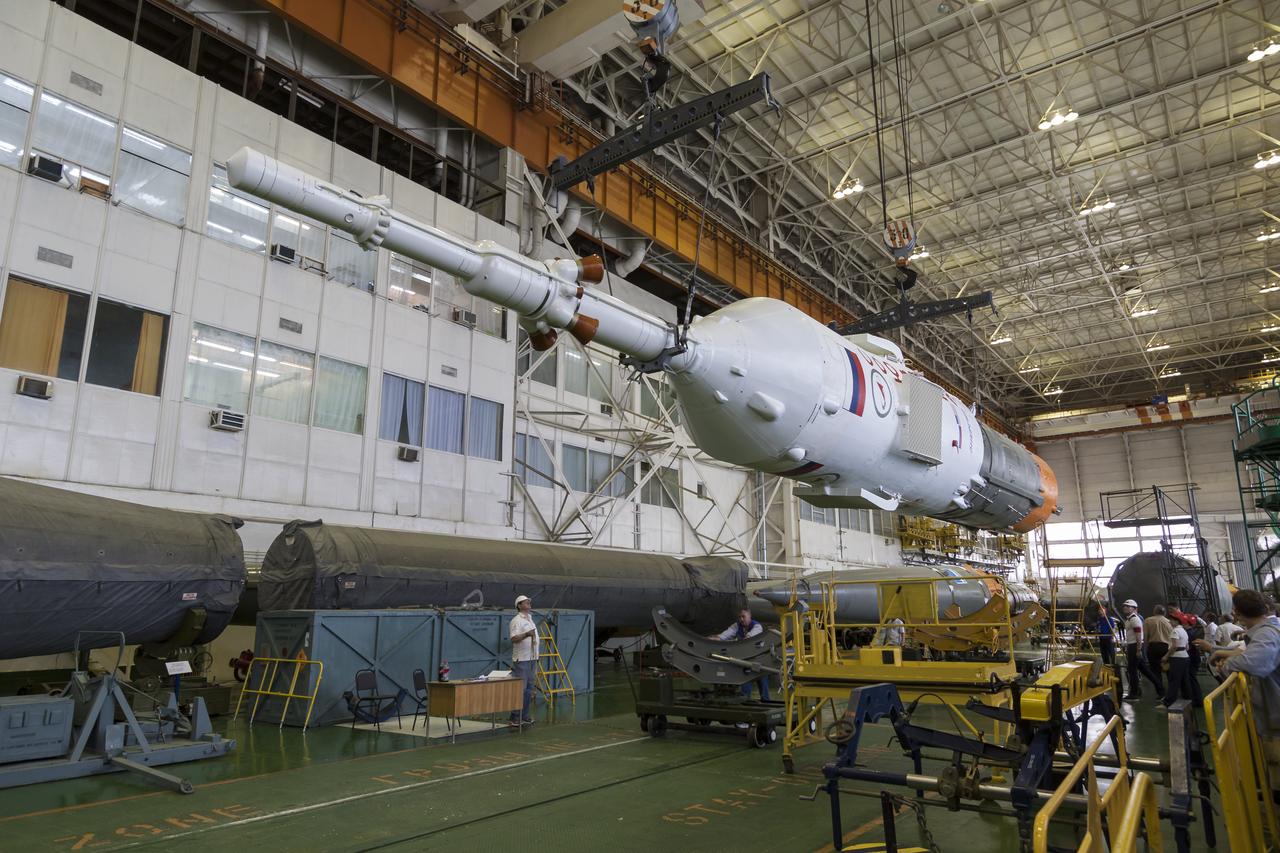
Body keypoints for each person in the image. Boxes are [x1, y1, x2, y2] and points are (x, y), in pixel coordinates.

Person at [1209, 589, 1280, 793]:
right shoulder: (1269, 629)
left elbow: (1256, 663)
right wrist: (1229, 652)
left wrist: (1228, 663)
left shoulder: (1266, 633)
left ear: (1237, 613)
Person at [713, 607, 770, 701]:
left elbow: (748, 639)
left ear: (749, 616)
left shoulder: (757, 626)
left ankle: (766, 703)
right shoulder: (737, 626)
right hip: (746, 660)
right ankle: (745, 702)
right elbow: (723, 636)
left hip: (760, 660)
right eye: (739, 617)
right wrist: (709, 640)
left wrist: (735, 641)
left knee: (763, 685)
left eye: (743, 616)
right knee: (745, 684)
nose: (741, 619)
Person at [1120, 599, 1163, 699]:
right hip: (1133, 645)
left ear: (1134, 608)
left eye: (1128, 606)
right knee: (1144, 670)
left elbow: (1138, 635)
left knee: (1133, 671)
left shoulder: (1134, 619)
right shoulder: (1130, 619)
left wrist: (1138, 649)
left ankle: (1134, 693)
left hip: (1135, 646)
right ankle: (1160, 689)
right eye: (1125, 606)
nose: (1125, 607)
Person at [508, 595, 539, 727]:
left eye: (529, 602)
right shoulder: (516, 621)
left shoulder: (530, 619)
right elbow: (514, 638)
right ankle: (514, 717)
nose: (529, 603)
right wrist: (527, 634)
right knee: (520, 689)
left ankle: (524, 715)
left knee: (529, 690)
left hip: (532, 659)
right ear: (519, 605)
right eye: (526, 602)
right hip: (522, 660)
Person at [1145, 605, 1174, 696]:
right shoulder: (1169, 622)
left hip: (1153, 647)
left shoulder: (1148, 620)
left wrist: (1145, 648)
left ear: (1154, 612)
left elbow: (1145, 637)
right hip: (1166, 648)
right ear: (1164, 613)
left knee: (1155, 671)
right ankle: (1171, 692)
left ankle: (1160, 693)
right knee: (1169, 671)